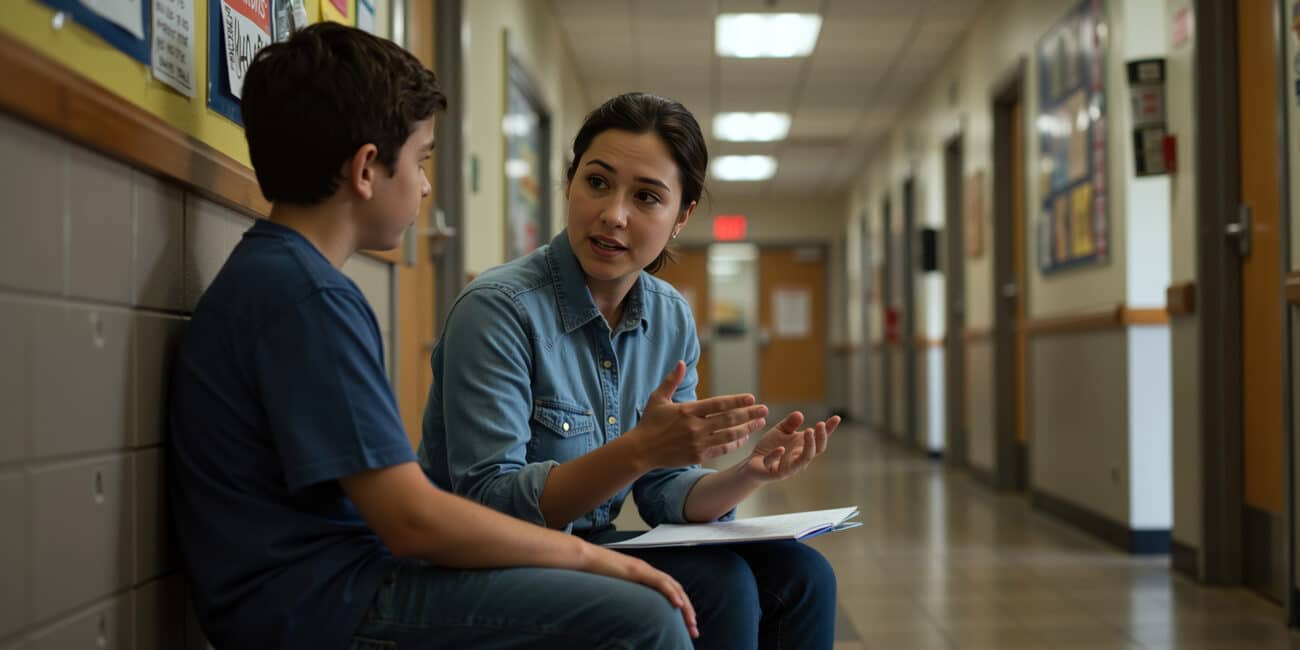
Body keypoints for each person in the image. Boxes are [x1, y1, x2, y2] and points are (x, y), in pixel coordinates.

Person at [168, 24, 698, 650]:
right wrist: (588, 558)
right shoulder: (306, 296)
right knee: (643, 616)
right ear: (368, 169)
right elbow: (413, 520)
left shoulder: (287, 277)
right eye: (420, 161)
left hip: (338, 579)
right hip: (320, 603)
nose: (424, 186)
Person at [420, 92, 841, 650]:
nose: (613, 214)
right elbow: (490, 502)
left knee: (804, 577)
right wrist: (639, 448)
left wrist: (746, 474)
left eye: (646, 197)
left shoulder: (668, 317)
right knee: (722, 586)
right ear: (570, 183)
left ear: (681, 217)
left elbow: (662, 490)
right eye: (597, 182)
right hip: (484, 561)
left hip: (589, 547)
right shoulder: (498, 309)